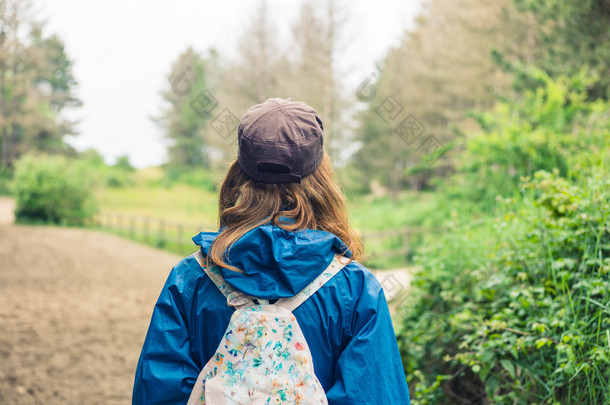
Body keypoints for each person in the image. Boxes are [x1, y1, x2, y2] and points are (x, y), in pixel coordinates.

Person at [132, 98, 410, 404]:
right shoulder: (354, 288)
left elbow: (158, 391)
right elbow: (376, 395)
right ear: (321, 177)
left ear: (238, 174)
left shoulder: (190, 279)